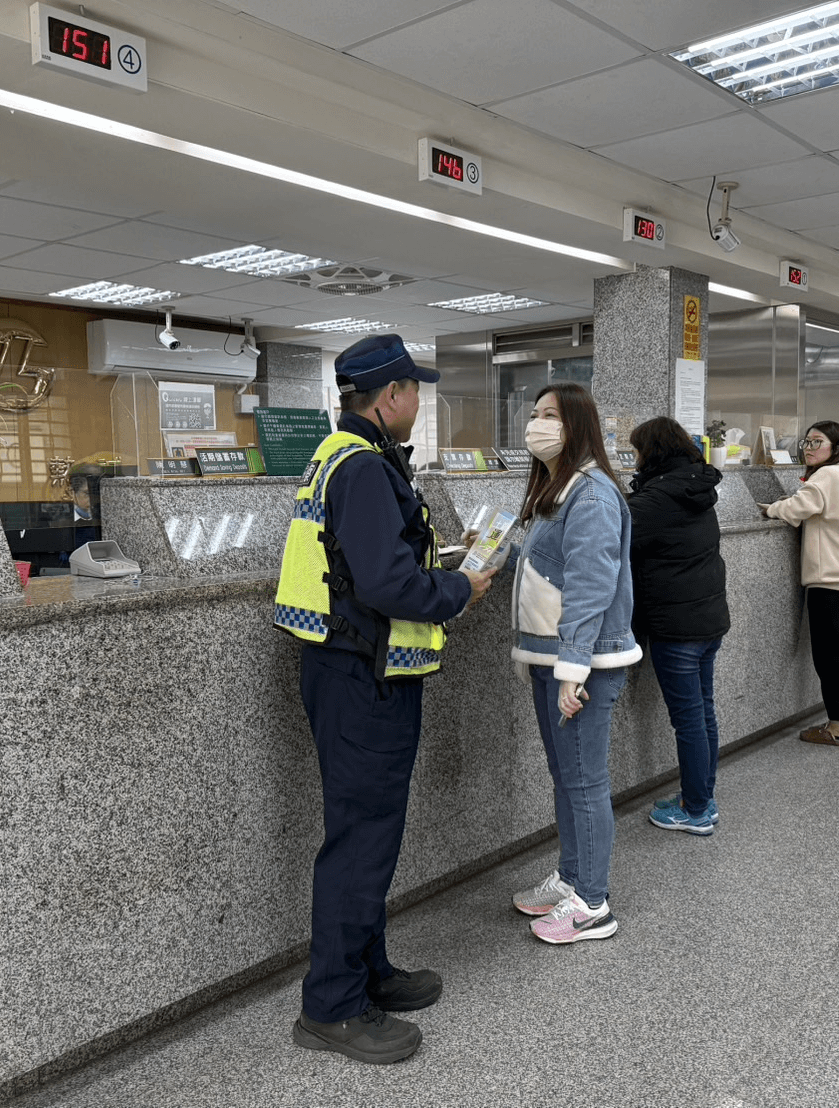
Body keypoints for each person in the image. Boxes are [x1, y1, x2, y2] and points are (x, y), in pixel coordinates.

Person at [273, 333, 495, 1064]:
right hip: (362, 679)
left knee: (367, 835)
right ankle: (330, 1007)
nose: (417, 404)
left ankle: (366, 972)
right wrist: (460, 588)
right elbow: (386, 585)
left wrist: (439, 562)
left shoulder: (344, 455)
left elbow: (372, 563)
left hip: (350, 671)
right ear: (392, 396)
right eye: (414, 392)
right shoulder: (364, 468)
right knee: (361, 842)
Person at [508, 383, 640, 944]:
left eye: (549, 416)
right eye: (533, 414)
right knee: (566, 776)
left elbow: (590, 585)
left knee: (584, 781)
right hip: (550, 656)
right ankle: (573, 877)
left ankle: (593, 904)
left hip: (581, 664)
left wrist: (574, 668)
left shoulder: (592, 494)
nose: (536, 425)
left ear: (577, 425)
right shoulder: (556, 489)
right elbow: (547, 563)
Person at [626, 417, 730, 836]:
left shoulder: (658, 497)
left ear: (652, 452)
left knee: (689, 719)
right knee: (702, 712)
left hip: (678, 626)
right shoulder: (695, 487)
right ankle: (700, 796)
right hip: (707, 620)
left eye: (636, 452)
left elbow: (608, 532)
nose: (633, 459)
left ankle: (696, 809)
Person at [760, 421, 839, 747]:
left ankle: (837, 727)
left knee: (830, 657)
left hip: (830, 580)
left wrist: (772, 508)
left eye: (817, 442)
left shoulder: (825, 476)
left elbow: (797, 508)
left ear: (835, 446)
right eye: (806, 442)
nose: (809, 448)